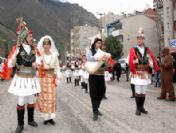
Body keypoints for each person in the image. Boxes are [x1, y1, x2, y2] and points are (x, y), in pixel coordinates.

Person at [2, 17, 41, 133]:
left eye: (31, 36)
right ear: (24, 38)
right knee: (21, 100)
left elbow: (39, 61)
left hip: (31, 78)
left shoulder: (34, 49)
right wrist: (12, 62)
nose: (31, 38)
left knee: (31, 100)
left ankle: (30, 120)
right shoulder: (17, 49)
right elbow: (9, 63)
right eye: (29, 36)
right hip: (21, 78)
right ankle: (20, 124)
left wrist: (37, 65)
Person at [128, 27, 159, 116]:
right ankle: (137, 108)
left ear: (143, 40)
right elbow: (130, 60)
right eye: (138, 39)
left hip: (145, 73)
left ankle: (142, 107)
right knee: (138, 91)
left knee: (143, 91)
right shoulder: (133, 49)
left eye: (141, 39)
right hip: (137, 72)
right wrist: (134, 62)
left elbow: (151, 59)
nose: (139, 41)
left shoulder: (147, 49)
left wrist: (152, 65)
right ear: (137, 40)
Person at [36, 35, 61, 125]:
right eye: (44, 44)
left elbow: (57, 67)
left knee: (51, 98)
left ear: (50, 46)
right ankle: (46, 117)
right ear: (42, 46)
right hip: (42, 78)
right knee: (43, 98)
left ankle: (51, 117)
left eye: (48, 44)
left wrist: (58, 78)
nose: (46, 46)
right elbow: (37, 67)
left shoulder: (54, 55)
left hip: (51, 78)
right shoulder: (40, 55)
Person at [86, 38, 110, 121]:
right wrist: (98, 58)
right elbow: (88, 58)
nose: (99, 44)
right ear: (94, 43)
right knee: (94, 93)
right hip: (93, 75)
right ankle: (95, 112)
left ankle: (97, 108)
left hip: (101, 74)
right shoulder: (90, 50)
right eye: (98, 43)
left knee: (101, 92)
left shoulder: (102, 52)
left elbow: (106, 63)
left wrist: (106, 60)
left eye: (100, 43)